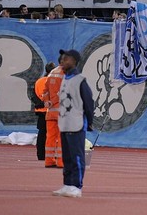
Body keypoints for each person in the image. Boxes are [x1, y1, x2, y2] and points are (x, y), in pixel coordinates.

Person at [53, 49, 94, 198]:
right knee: (67, 157)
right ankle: (67, 184)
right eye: (62, 59)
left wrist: (89, 122)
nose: (63, 61)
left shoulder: (80, 80)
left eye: (66, 59)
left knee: (77, 156)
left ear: (74, 61)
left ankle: (77, 186)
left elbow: (89, 102)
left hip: (76, 123)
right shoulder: (65, 79)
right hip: (65, 123)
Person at [42, 56, 65, 169]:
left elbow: (45, 91)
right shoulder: (66, 74)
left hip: (51, 113)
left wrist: (47, 102)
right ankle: (61, 162)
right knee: (62, 138)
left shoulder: (51, 73)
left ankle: (49, 160)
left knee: (50, 137)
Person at [31, 62, 54, 161]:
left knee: (41, 134)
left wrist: (41, 104)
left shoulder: (39, 82)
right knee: (52, 134)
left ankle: (41, 155)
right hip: (52, 112)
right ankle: (51, 155)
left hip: (41, 111)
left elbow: (33, 97)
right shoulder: (54, 82)